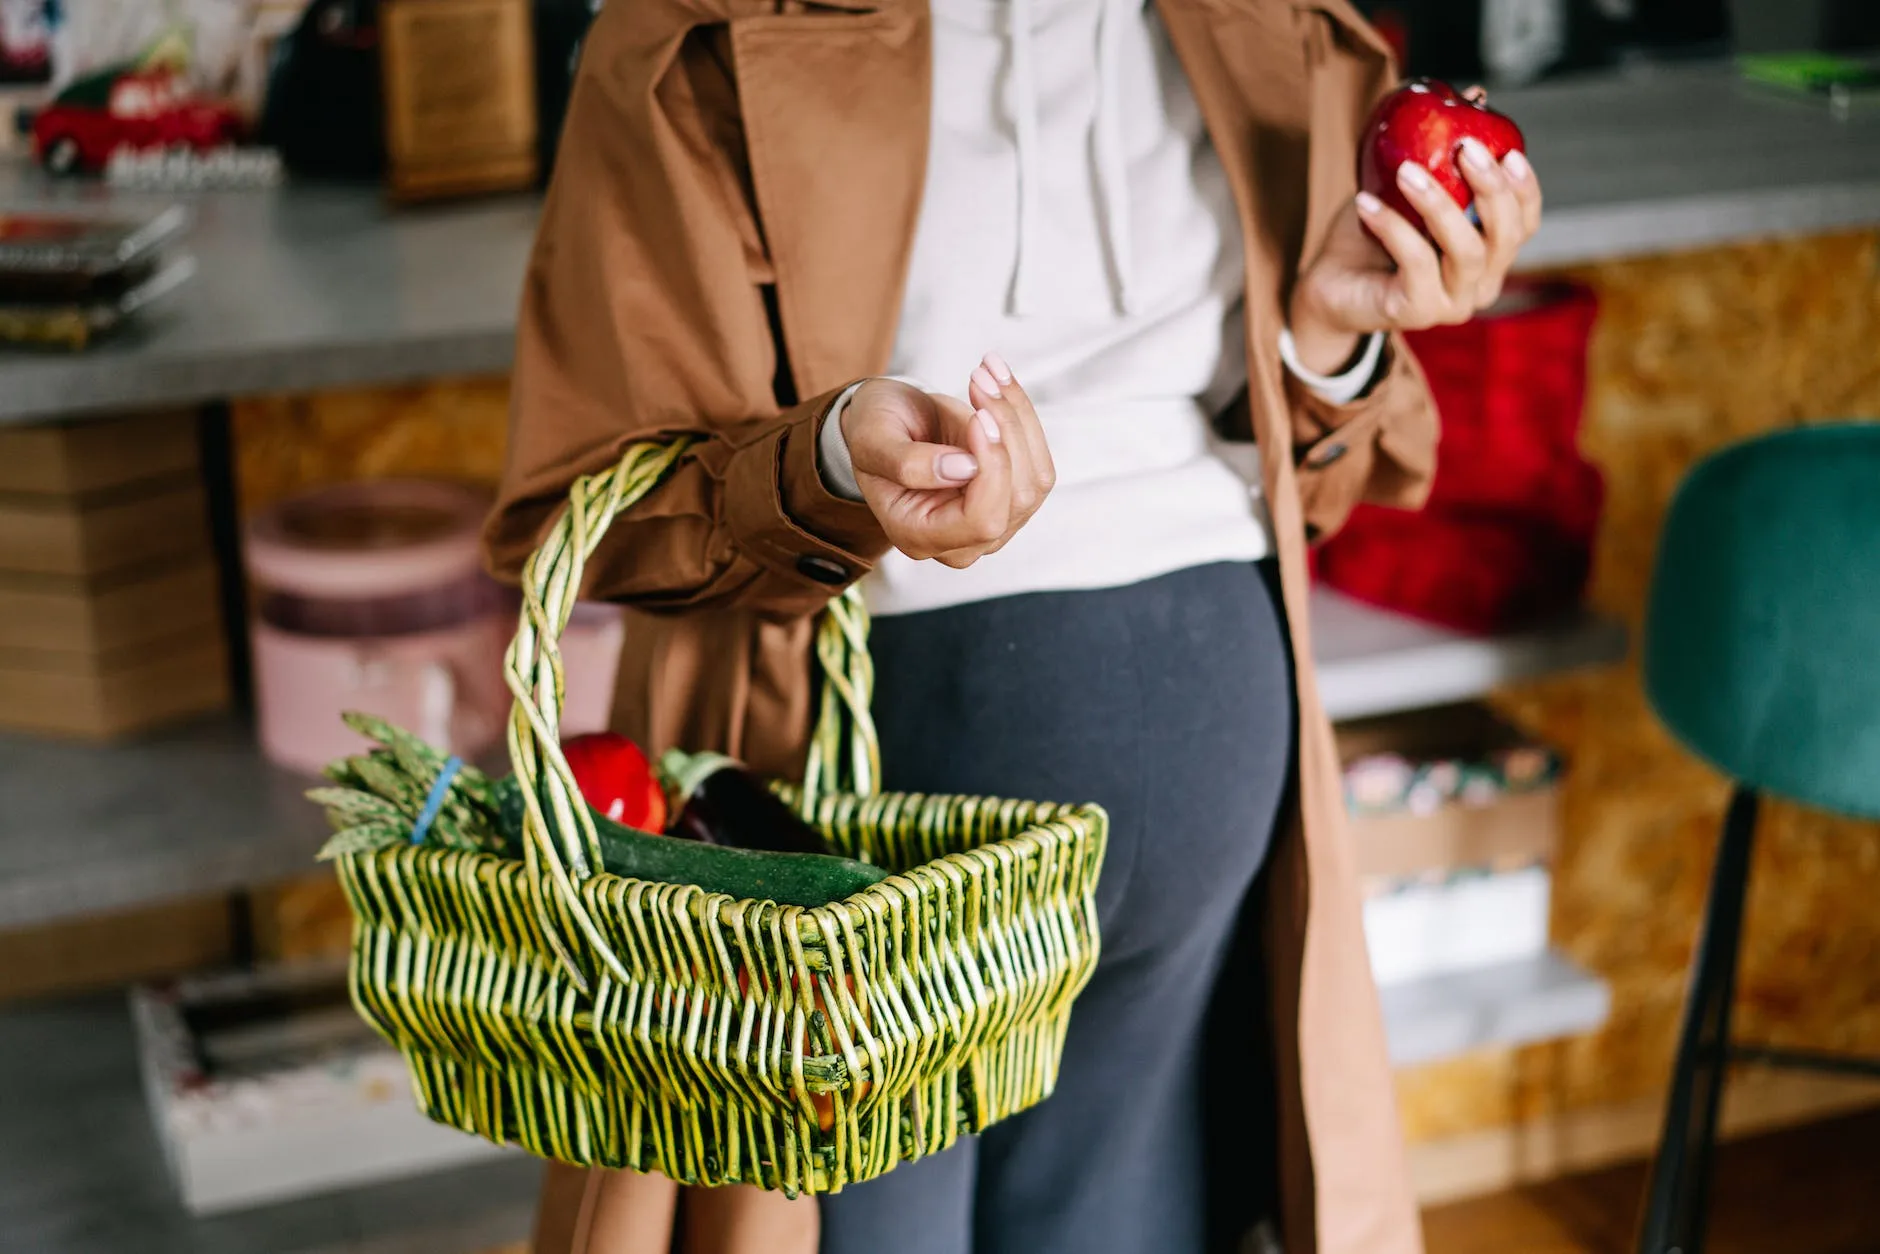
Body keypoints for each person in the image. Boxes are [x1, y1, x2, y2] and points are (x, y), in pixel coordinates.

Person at [483, 0, 1543, 1252]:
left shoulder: (1284, 26)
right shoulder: (694, 40)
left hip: (1212, 776)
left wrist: (1324, 340)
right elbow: (590, 511)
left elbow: (1320, 476)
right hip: (864, 835)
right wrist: (830, 461)